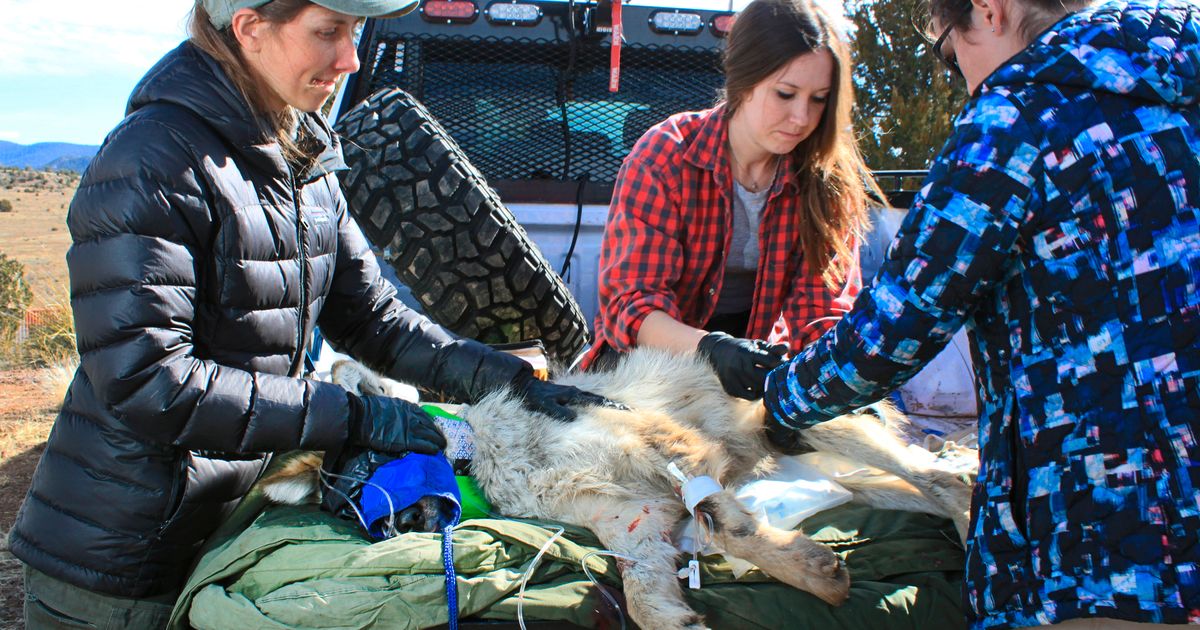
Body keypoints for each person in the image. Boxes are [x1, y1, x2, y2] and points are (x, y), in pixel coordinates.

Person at [8, 1, 614, 628]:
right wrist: (353, 416)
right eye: (328, 33)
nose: (349, 59)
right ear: (248, 28)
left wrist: (501, 380)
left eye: (353, 34)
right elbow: (150, 382)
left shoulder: (299, 155)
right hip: (129, 557)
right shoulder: (154, 161)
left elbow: (373, 318)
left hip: (236, 526)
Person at [763, 0, 1200, 627]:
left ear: (990, 12)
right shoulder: (1180, 84)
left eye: (946, 53)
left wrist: (779, 398)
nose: (962, 77)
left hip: (1105, 539)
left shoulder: (1016, 119)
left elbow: (896, 326)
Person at [578, 0, 884, 400]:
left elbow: (822, 313)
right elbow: (632, 307)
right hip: (651, 373)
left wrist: (825, 383)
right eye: (786, 94)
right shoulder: (666, 156)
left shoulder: (826, 179)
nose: (801, 118)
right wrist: (711, 348)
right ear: (743, 79)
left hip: (760, 374)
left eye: (819, 99)